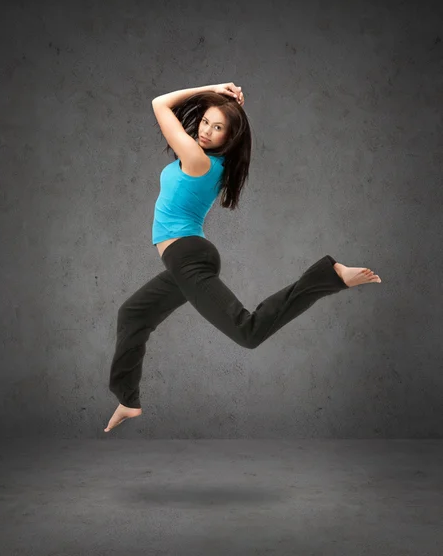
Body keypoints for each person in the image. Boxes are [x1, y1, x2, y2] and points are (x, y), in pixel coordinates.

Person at [104, 82, 381, 432]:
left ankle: (330, 276)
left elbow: (159, 103)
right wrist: (219, 95)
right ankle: (127, 399)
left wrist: (211, 88)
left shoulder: (197, 160)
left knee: (247, 332)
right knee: (133, 313)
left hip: (188, 256)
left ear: (229, 138)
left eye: (217, 127)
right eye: (205, 121)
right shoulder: (205, 160)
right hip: (182, 259)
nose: (206, 130)